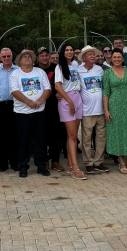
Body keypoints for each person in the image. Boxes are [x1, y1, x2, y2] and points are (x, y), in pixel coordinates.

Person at [9, 49, 52, 178]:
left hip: (39, 111)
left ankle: (41, 165)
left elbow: (47, 88)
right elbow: (14, 91)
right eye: (24, 57)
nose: (27, 58)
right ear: (20, 60)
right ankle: (23, 166)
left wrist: (40, 100)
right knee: (24, 139)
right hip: (22, 112)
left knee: (40, 139)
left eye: (29, 56)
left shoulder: (40, 72)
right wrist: (28, 102)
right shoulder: (15, 74)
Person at [103, 49, 127, 173]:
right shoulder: (107, 73)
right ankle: (122, 162)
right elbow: (106, 93)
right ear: (111, 58)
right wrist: (106, 110)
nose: (117, 59)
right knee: (117, 133)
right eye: (114, 57)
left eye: (119, 57)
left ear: (123, 59)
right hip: (114, 107)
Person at [54, 48, 87, 180]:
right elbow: (57, 86)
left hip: (77, 97)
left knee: (71, 135)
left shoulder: (75, 65)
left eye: (71, 50)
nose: (69, 52)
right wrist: (69, 101)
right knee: (73, 135)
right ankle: (75, 168)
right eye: (66, 50)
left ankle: (69, 166)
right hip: (67, 100)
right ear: (63, 52)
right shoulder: (59, 67)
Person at [76, 45, 110, 174]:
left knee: (101, 138)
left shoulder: (100, 70)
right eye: (89, 54)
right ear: (84, 57)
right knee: (86, 139)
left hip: (101, 110)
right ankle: (88, 163)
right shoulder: (78, 71)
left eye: (93, 54)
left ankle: (98, 162)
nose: (92, 56)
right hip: (87, 111)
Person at [0, 47, 20, 172]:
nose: (6, 58)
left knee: (14, 134)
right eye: (4, 57)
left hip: (15, 105)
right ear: (0, 57)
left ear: (12, 56)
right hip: (0, 106)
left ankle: (14, 162)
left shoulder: (18, 71)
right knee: (1, 134)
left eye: (8, 56)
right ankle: (2, 163)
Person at [39, 47, 64, 172]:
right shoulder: (35, 70)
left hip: (54, 105)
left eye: (46, 55)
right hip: (40, 106)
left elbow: (62, 83)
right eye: (41, 56)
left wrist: (60, 93)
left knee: (55, 135)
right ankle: (44, 160)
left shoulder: (56, 68)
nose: (44, 58)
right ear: (38, 58)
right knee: (42, 135)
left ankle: (55, 160)